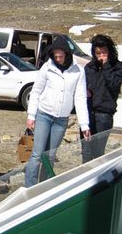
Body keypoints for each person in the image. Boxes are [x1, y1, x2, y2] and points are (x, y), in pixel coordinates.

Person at [24, 37, 90, 188]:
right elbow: (36, 92)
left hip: (61, 120)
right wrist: (31, 115)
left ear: (67, 54)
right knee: (37, 153)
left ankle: (44, 186)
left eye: (60, 56)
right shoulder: (47, 67)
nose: (58, 59)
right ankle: (29, 186)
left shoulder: (78, 71)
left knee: (51, 155)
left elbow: (80, 98)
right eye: (55, 56)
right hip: (44, 115)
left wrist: (84, 125)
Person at [81, 34, 122, 162]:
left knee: (98, 152)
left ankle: (98, 178)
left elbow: (114, 85)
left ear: (110, 51)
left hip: (104, 115)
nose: (101, 56)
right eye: (98, 53)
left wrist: (106, 66)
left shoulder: (118, 67)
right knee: (86, 151)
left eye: (104, 52)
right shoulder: (90, 68)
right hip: (88, 113)